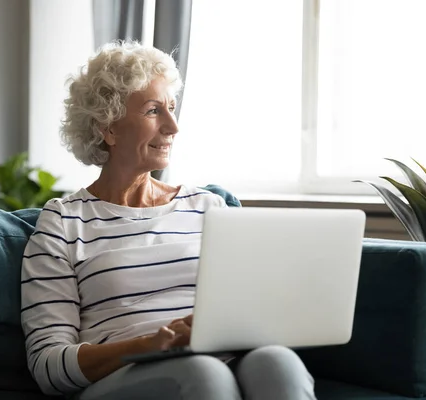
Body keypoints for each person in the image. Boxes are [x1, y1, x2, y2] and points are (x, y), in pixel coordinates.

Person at [20, 40, 316, 400]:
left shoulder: (209, 208)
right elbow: (48, 365)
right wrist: (150, 345)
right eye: (153, 111)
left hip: (223, 360)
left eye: (172, 108)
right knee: (203, 373)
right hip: (124, 376)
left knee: (276, 362)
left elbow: (249, 313)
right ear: (108, 128)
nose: (173, 126)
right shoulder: (63, 222)